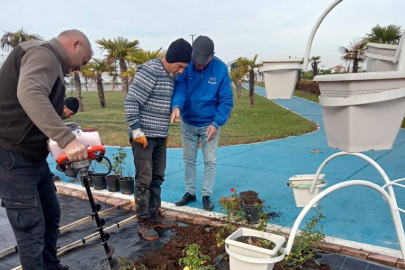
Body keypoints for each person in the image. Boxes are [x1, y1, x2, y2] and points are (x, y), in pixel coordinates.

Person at [0, 29, 92, 270]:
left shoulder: (49, 60)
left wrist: (57, 143)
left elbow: (35, 114)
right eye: (83, 61)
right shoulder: (44, 54)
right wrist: (66, 138)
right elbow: (30, 93)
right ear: (75, 45)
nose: (80, 69)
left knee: (50, 214)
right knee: (30, 226)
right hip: (11, 154)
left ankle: (50, 266)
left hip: (32, 156)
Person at [125, 38, 192, 241]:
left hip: (159, 136)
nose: (181, 71)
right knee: (144, 180)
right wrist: (136, 130)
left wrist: (164, 132)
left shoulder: (170, 76)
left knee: (158, 177)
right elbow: (131, 101)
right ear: (171, 59)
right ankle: (143, 221)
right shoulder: (151, 71)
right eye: (180, 66)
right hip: (143, 136)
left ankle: (154, 215)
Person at [171, 36, 234, 211]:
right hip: (188, 122)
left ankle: (206, 194)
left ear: (211, 56)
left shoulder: (220, 69)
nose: (197, 65)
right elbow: (180, 90)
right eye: (195, 61)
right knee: (188, 159)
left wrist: (217, 122)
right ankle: (190, 192)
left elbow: (226, 100)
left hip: (210, 124)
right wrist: (176, 106)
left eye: (201, 62)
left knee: (210, 161)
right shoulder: (187, 65)